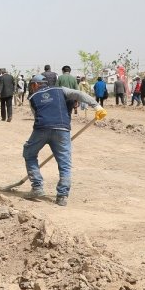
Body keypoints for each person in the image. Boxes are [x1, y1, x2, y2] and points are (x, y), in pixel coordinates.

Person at [22, 74, 105, 206]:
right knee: (64, 163)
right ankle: (62, 196)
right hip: (62, 129)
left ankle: (37, 186)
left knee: (29, 153)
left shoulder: (32, 98)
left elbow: (37, 115)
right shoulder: (61, 90)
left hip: (41, 129)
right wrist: (96, 106)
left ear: (35, 85)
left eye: (32, 86)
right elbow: (78, 94)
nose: (32, 88)